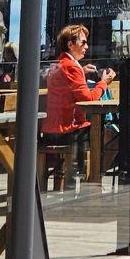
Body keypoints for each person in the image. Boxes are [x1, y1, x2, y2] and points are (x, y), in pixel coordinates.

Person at [43, 24, 114, 175]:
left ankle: (88, 174)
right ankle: (93, 175)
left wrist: (81, 71)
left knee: (106, 130)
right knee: (113, 133)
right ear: (70, 44)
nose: (86, 47)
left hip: (52, 130)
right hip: (68, 131)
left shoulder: (61, 64)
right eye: (83, 42)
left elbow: (66, 84)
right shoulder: (72, 67)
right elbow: (89, 99)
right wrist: (104, 82)